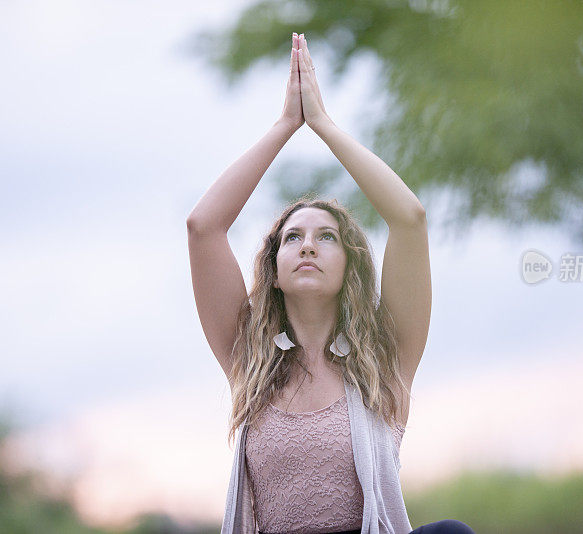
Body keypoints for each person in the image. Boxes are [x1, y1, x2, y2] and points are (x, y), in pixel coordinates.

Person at [187, 32, 475, 534]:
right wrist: (284, 125)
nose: (308, 245)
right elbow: (203, 227)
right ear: (273, 270)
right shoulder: (249, 359)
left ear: (351, 265)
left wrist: (321, 124)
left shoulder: (384, 360)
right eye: (292, 237)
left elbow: (409, 217)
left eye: (327, 237)